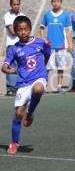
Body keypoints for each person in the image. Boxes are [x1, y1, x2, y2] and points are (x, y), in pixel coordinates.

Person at [1, 16, 51, 155]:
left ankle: (30, 113)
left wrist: (43, 66)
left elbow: (47, 53)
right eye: (20, 30)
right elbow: (5, 66)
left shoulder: (39, 43)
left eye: (25, 29)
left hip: (39, 78)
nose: (23, 32)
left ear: (30, 29)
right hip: (23, 83)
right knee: (17, 114)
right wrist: (9, 69)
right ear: (15, 31)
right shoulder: (14, 49)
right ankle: (15, 143)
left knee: (38, 89)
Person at [40, 0, 72, 93]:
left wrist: (70, 44)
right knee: (47, 67)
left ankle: (59, 86)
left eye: (58, 1)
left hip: (61, 46)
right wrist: (43, 39)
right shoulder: (47, 14)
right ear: (51, 2)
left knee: (61, 67)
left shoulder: (65, 15)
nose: (56, 2)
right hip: (49, 46)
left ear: (61, 2)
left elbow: (68, 31)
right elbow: (41, 27)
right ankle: (44, 86)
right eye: (54, 1)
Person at [3, 0, 25, 96]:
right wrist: (22, 31)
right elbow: (12, 32)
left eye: (17, 4)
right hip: (12, 45)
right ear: (11, 5)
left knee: (22, 65)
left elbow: (27, 31)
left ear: (20, 4)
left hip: (22, 45)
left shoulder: (23, 16)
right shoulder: (7, 15)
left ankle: (20, 86)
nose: (16, 6)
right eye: (14, 4)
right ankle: (10, 88)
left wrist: (22, 32)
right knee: (10, 66)